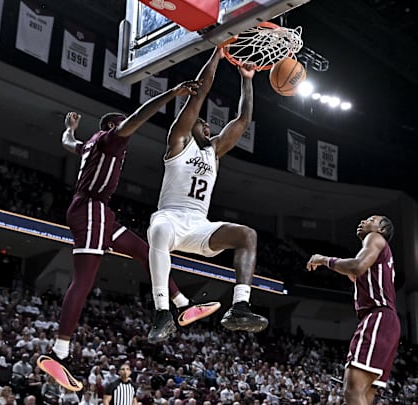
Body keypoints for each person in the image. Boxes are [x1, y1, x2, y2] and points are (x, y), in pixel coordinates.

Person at [37, 80, 221, 391]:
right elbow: (139, 116)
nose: (126, 128)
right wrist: (172, 94)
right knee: (83, 280)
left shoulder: (88, 145)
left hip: (99, 212)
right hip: (91, 208)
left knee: (143, 250)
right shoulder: (110, 139)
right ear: (111, 125)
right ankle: (59, 352)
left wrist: (69, 128)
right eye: (120, 123)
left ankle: (181, 302)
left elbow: (69, 142)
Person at [145, 47, 267, 342]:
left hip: (199, 225)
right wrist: (218, 53)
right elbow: (198, 94)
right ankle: (162, 312)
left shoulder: (214, 152)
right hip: (171, 219)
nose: (207, 125)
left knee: (247, 235)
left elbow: (242, 120)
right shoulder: (178, 141)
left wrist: (247, 79)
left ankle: (239, 306)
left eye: (209, 124)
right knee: (158, 229)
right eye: (202, 122)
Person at [305, 215, 401, 405]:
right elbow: (357, 271)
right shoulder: (378, 255)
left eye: (371, 219)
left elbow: (356, 266)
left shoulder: (374, 239)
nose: (364, 221)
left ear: (381, 230)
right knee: (364, 395)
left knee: (352, 390)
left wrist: (324, 260)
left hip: (378, 316)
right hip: (387, 321)